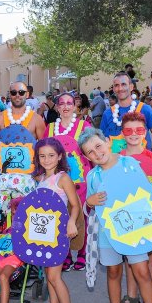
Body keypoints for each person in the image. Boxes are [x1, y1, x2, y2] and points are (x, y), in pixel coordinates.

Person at [79, 128, 152, 303]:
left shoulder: (129, 165)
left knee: (142, 271)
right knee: (113, 272)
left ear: (107, 141)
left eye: (98, 146)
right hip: (108, 232)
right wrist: (89, 202)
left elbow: (146, 194)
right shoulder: (93, 176)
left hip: (135, 230)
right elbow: (88, 208)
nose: (97, 153)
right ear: (86, 158)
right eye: (90, 152)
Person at [119, 112, 152, 303]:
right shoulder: (118, 158)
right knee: (129, 255)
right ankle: (132, 296)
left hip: (149, 215)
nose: (133, 134)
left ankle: (149, 299)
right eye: (128, 130)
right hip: (125, 215)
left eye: (139, 130)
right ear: (122, 133)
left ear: (145, 132)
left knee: (148, 257)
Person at [33, 138, 80, 303]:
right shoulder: (40, 179)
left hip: (59, 233)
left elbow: (75, 204)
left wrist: (71, 222)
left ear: (60, 156)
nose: (47, 159)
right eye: (42, 156)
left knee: (54, 276)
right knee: (48, 275)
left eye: (51, 155)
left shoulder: (63, 178)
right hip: (42, 233)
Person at [43, 92, 92, 270]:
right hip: (57, 180)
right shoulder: (49, 128)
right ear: (56, 107)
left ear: (75, 106)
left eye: (69, 103)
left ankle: (81, 252)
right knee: (60, 214)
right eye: (61, 103)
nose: (65, 107)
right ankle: (64, 254)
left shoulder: (84, 126)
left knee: (80, 215)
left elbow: (92, 152)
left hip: (80, 178)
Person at [0, 81, 45, 186]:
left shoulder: (36, 119)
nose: (17, 95)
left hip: (29, 178)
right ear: (10, 95)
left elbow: (45, 147)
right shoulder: (0, 118)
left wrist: (45, 173)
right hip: (3, 177)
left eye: (21, 92)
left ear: (27, 94)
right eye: (14, 92)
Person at [100, 72, 152, 149]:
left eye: (123, 84)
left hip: (142, 160)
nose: (120, 88)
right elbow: (102, 142)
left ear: (131, 87)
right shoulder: (107, 114)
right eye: (116, 85)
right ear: (114, 89)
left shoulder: (145, 109)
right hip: (116, 160)